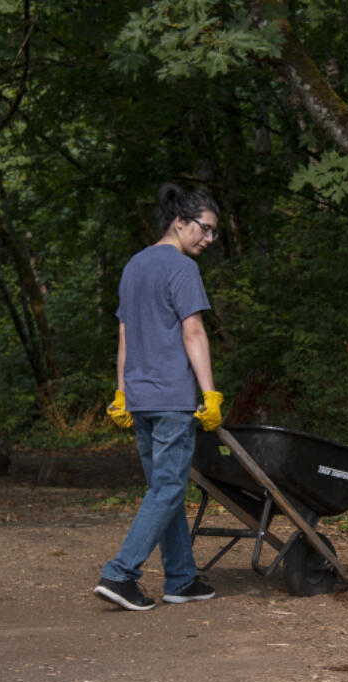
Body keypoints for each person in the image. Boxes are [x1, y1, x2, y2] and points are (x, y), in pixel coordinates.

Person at [93, 183, 225, 611]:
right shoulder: (181, 268)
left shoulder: (134, 265)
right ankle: (120, 573)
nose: (208, 239)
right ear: (180, 222)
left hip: (141, 398)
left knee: (162, 489)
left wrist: (121, 391)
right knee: (168, 488)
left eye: (213, 233)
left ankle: (182, 579)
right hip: (171, 397)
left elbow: (125, 333)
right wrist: (209, 394)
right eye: (205, 230)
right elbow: (193, 332)